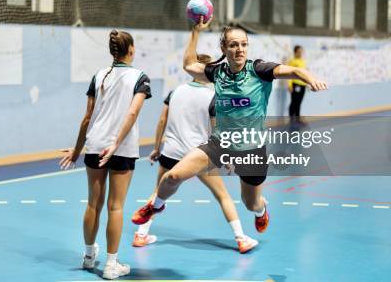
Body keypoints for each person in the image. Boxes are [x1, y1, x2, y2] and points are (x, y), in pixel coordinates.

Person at [132, 18, 327, 236]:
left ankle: (261, 210)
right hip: (219, 143)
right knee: (172, 177)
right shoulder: (218, 72)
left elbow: (293, 71)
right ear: (224, 48)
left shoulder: (260, 70)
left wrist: (311, 79)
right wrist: (195, 31)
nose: (240, 49)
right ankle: (156, 205)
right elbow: (188, 65)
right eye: (234, 44)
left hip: (252, 149)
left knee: (250, 203)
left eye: (243, 44)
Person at [134, 54, 258, 254]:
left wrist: (156, 148)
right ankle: (241, 238)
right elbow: (218, 131)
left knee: (159, 193)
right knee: (223, 195)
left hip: (171, 153)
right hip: (198, 156)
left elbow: (161, 121)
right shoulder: (213, 96)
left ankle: (141, 234)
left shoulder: (175, 92)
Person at [60, 30, 151, 280]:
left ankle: (89, 256)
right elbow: (132, 114)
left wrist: (78, 149)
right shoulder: (140, 77)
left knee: (93, 204)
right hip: (120, 148)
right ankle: (111, 265)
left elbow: (87, 118)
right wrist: (116, 143)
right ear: (130, 50)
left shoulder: (98, 75)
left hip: (94, 145)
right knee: (116, 206)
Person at [287, 45, 307, 122]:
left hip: (303, 85)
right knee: (294, 102)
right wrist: (289, 85)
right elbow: (289, 74)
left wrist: (307, 82)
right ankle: (291, 118)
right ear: (295, 52)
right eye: (299, 52)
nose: (300, 53)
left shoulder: (303, 61)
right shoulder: (292, 61)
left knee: (299, 102)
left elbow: (304, 73)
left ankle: (297, 118)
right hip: (295, 85)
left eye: (301, 52)